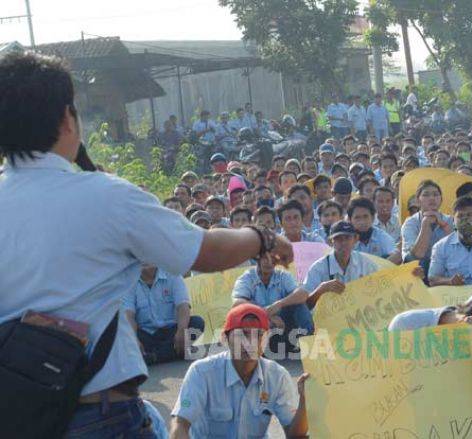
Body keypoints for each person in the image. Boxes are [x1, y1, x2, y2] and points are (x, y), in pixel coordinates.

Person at [0, 52, 293, 437]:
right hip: (99, 414)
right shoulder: (105, 197)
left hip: (15, 417)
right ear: (66, 119)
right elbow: (204, 252)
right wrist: (262, 237)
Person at [171, 304, 308, 438]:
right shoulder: (201, 372)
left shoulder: (277, 376)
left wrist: (304, 399)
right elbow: (180, 425)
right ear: (225, 338)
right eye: (242, 334)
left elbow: (295, 434)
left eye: (258, 335)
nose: (249, 343)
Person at [123, 265, 205, 365]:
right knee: (121, 334)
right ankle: (170, 353)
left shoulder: (172, 273)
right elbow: (128, 315)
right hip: (146, 335)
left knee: (197, 323)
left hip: (172, 332)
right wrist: (133, 339)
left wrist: (181, 330)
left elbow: (183, 306)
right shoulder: (128, 281)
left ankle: (152, 357)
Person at [303, 221, 379, 309]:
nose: (343, 243)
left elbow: (379, 292)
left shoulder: (366, 264)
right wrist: (321, 290)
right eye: (338, 239)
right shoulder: (318, 268)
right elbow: (305, 306)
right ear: (330, 242)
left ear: (355, 239)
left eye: (347, 238)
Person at [232, 254, 313, 335]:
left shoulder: (283, 276)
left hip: (283, 322)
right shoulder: (247, 278)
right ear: (257, 259)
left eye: (273, 259)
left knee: (300, 304)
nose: (269, 262)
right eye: (265, 258)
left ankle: (306, 339)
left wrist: (279, 304)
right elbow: (237, 304)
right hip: (257, 323)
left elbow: (303, 294)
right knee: (242, 312)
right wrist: (265, 315)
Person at [401, 180, 454, 274]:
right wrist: (426, 224)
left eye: (436, 194)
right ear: (418, 200)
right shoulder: (410, 222)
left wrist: (444, 225)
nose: (432, 198)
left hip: (445, 266)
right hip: (419, 269)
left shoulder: (450, 220)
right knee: (418, 262)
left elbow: (457, 249)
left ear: (441, 199)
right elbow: (417, 255)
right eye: (426, 195)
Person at [347, 197, 400, 261]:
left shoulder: (381, 236)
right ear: (350, 220)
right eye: (357, 218)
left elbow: (397, 256)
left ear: (372, 218)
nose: (362, 222)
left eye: (365, 216)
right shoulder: (345, 240)